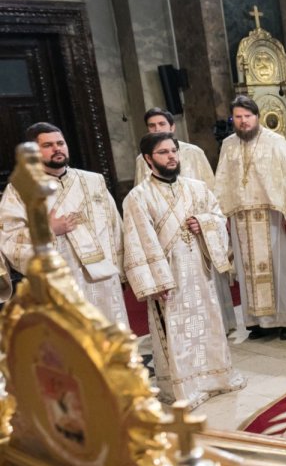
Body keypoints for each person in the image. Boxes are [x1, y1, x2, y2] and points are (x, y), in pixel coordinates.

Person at [123, 132, 244, 406]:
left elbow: (217, 215)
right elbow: (138, 242)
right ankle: (185, 386)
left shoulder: (196, 187)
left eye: (173, 151)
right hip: (169, 277)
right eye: (164, 152)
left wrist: (204, 223)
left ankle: (215, 378)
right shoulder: (137, 197)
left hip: (198, 271)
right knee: (177, 331)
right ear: (148, 159)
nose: (172, 156)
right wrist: (156, 282)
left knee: (207, 323)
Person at [212, 95, 286, 341]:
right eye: (238, 117)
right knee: (249, 272)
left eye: (247, 116)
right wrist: (222, 214)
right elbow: (222, 181)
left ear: (257, 117)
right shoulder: (229, 144)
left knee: (282, 269)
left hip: (274, 215)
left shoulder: (276, 142)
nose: (243, 122)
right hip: (242, 219)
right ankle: (260, 322)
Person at [0, 122, 128, 328]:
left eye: (60, 143)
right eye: (48, 145)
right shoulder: (19, 190)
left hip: (104, 280)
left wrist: (121, 272)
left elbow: (116, 227)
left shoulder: (94, 181)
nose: (57, 148)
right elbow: (9, 239)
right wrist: (48, 231)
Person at [135, 108, 216, 189]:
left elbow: (210, 186)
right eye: (152, 126)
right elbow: (139, 191)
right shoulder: (142, 159)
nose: (157, 129)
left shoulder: (194, 152)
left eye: (162, 124)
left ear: (172, 127)